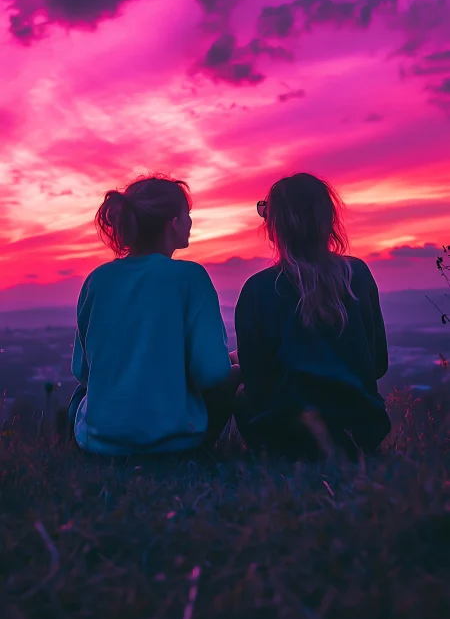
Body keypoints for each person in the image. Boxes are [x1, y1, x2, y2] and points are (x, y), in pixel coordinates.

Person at [68, 174, 240, 456]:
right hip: (176, 443)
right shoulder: (190, 278)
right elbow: (211, 373)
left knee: (80, 394)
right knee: (234, 373)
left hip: (99, 444)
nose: (191, 221)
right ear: (174, 222)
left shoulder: (97, 280)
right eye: (188, 214)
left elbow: (83, 372)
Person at [233, 173, 391, 461]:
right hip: (362, 429)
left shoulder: (258, 288)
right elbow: (377, 363)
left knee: (241, 395)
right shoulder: (358, 274)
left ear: (274, 227)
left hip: (288, 435)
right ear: (328, 221)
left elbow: (256, 385)